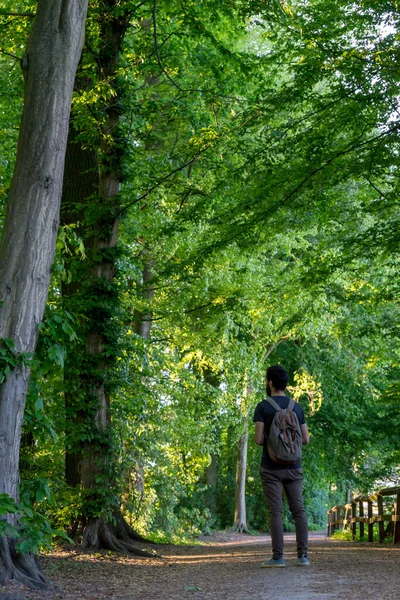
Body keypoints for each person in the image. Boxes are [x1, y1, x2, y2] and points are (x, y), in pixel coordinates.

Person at [253, 364, 310, 567]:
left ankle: (278, 558)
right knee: (299, 510)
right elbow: (305, 440)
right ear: (286, 383)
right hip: (294, 467)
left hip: (270, 467)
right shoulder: (297, 407)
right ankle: (303, 556)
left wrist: (273, 439)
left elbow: (258, 439)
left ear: (270, 382)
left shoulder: (263, 407)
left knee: (275, 511)